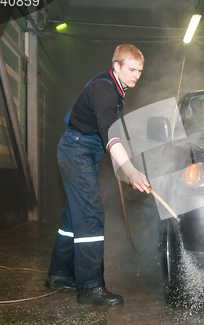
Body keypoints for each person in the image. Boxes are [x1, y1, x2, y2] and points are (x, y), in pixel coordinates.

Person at [45, 44, 150, 306]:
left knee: (74, 216)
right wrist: (131, 171)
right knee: (91, 214)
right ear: (116, 66)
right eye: (132, 69)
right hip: (76, 151)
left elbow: (111, 130)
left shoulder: (114, 88)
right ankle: (90, 288)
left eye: (140, 70)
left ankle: (58, 275)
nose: (137, 75)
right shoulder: (104, 90)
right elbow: (110, 134)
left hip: (82, 151)